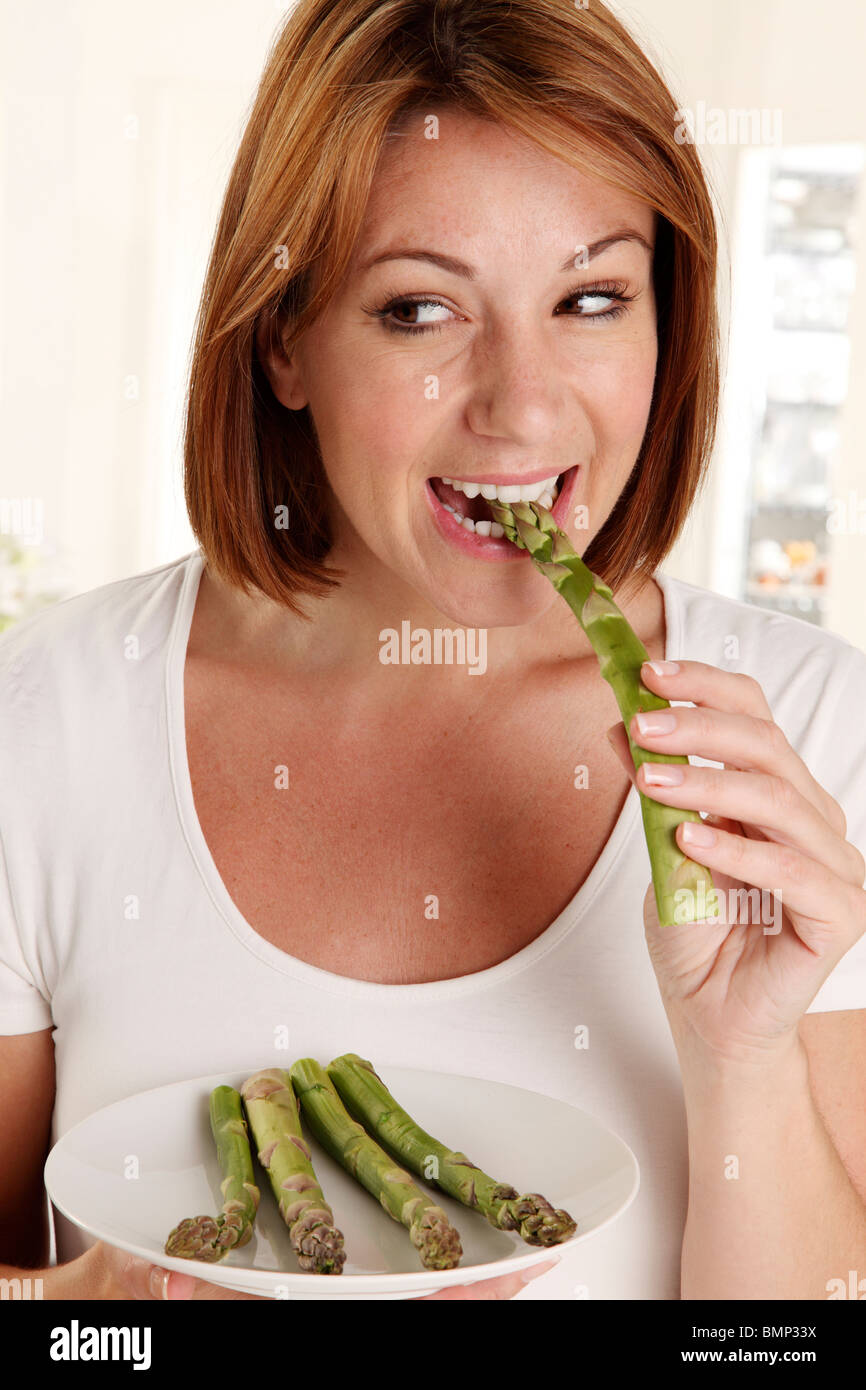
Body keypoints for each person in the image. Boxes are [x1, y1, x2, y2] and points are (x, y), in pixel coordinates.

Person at [2, 0, 866, 1303]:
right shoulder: (49, 718)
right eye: (418, 309)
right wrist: (101, 1317)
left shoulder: (805, 734)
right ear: (283, 335)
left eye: (590, 296)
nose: (523, 402)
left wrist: (741, 1052)